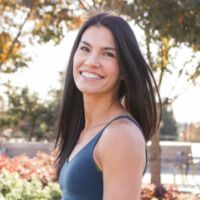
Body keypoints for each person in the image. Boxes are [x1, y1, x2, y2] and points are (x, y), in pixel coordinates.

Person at [55, 11, 161, 200]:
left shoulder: (121, 135)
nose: (91, 61)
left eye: (107, 54)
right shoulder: (85, 130)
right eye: (85, 49)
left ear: (123, 70)